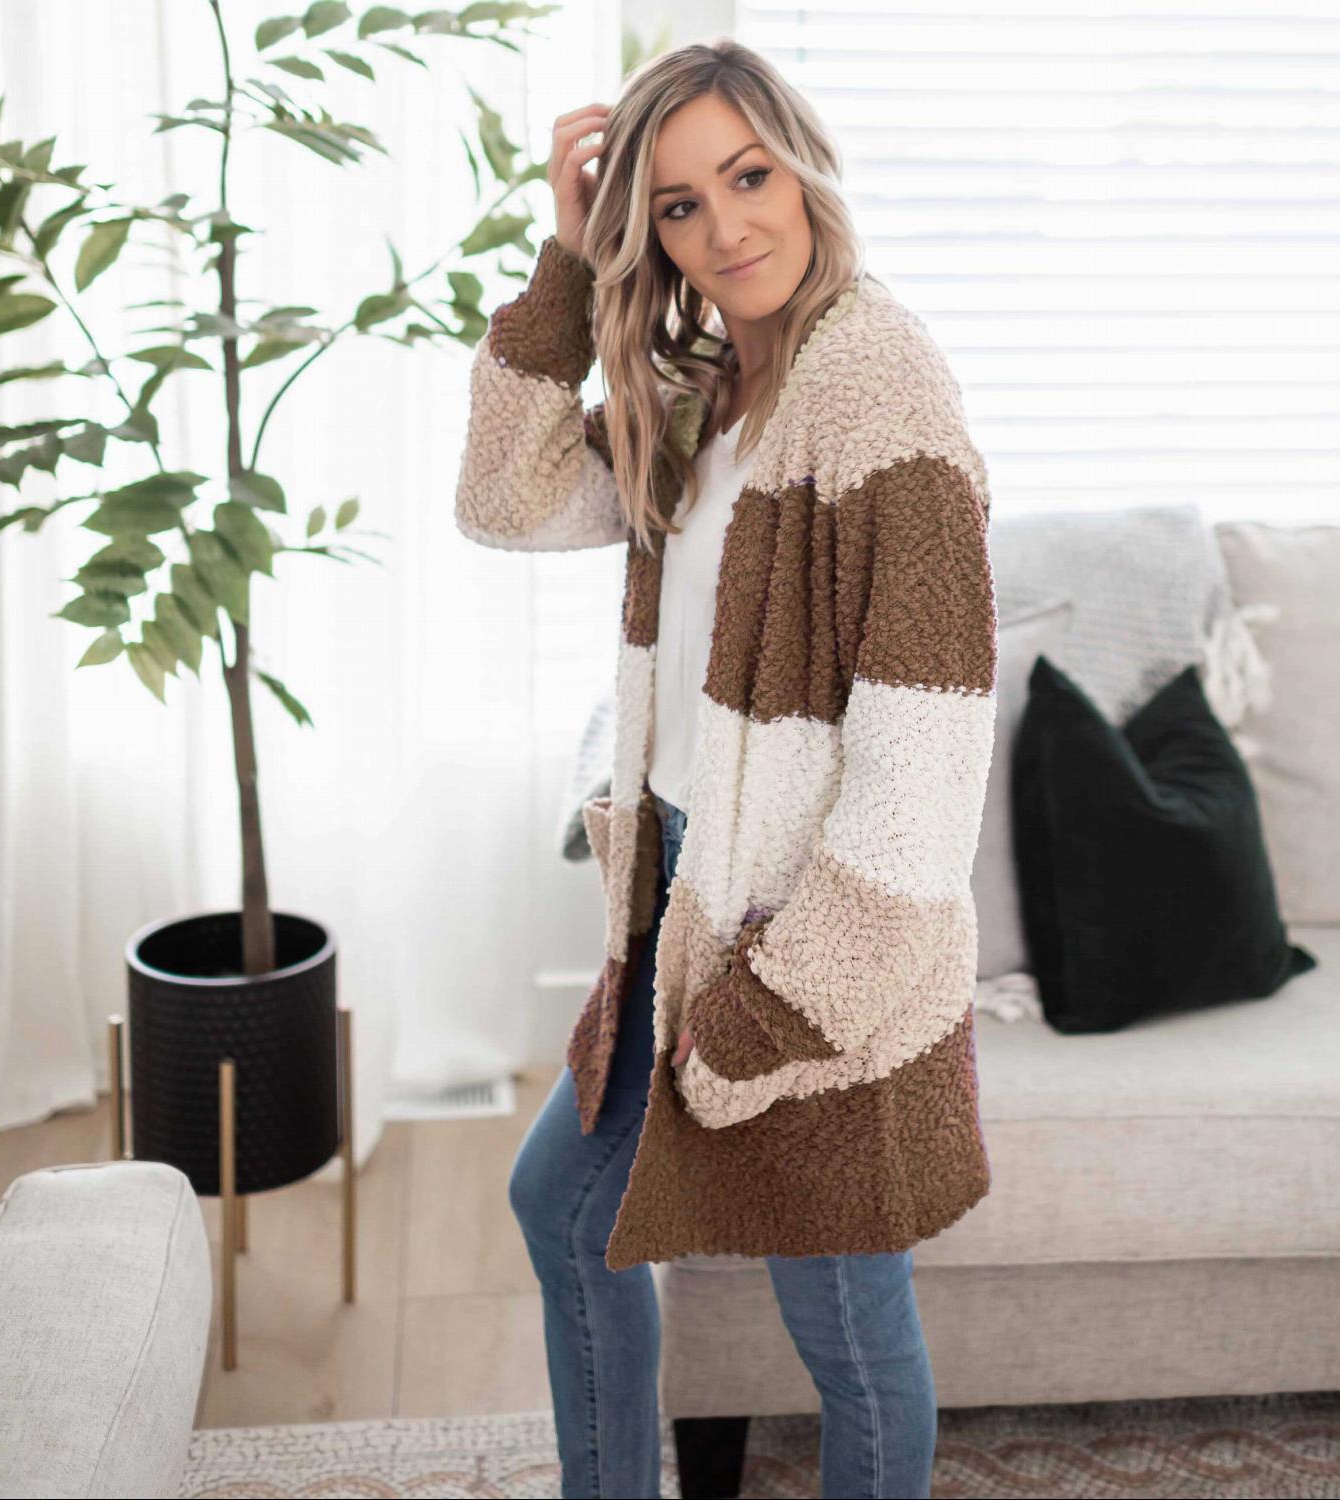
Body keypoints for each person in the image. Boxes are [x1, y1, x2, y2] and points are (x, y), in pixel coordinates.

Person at [456, 37, 998, 1500]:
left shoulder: (881, 393)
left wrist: (773, 1011)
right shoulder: (704, 390)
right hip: (684, 907)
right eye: (680, 205)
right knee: (562, 1210)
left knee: (847, 1331)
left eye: (749, 176)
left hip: (812, 949)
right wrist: (570, 270)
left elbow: (922, 780)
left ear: (804, 166)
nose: (728, 228)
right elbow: (502, 498)